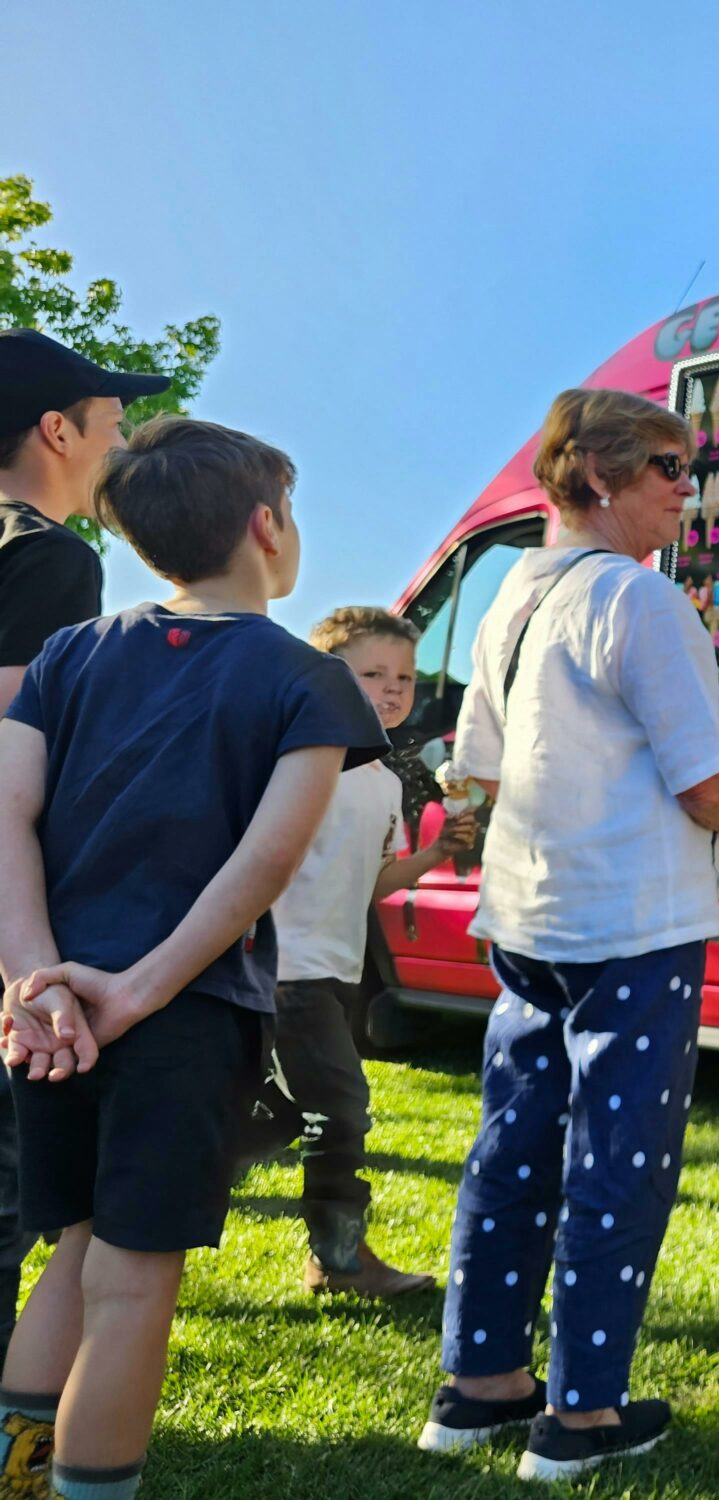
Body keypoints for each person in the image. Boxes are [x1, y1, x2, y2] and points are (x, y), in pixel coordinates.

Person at [0, 416, 387, 1499]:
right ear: (267, 527)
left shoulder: (71, 654)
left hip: (54, 1016)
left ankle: (19, 1482)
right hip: (179, 1012)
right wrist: (138, 992)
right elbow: (262, 866)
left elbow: (5, 816)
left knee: (72, 1253)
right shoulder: (305, 678)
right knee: (132, 1287)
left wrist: (34, 981)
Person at [418, 389, 719, 1482]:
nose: (683, 489)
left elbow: (481, 766)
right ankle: (581, 1414)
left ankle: (478, 1384)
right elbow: (703, 781)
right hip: (633, 921)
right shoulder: (642, 604)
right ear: (597, 476)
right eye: (666, 466)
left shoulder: (512, 591)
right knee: (619, 1163)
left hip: (528, 914)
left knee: (512, 1146)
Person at [0, 329, 170, 1367]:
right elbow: (9, 767)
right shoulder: (49, 555)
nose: (119, 444)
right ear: (56, 430)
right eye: (111, 424)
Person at [263, 606, 478, 1298]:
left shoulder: (384, 781)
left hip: (335, 970)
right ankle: (338, 1261)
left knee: (277, 1113)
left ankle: (152, 1201)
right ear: (327, 678)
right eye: (373, 674)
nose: (393, 689)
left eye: (406, 678)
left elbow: (369, 880)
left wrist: (437, 854)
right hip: (284, 968)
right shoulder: (297, 761)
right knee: (341, 1105)